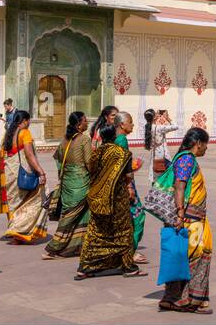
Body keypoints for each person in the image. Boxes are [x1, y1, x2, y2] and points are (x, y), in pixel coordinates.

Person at [76, 122, 144, 280]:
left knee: (95, 233)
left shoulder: (96, 153)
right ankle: (129, 267)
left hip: (98, 198)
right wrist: (129, 187)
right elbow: (128, 177)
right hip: (117, 199)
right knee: (124, 232)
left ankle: (84, 267)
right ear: (114, 136)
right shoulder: (122, 153)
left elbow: (92, 172)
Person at [158, 126, 212, 313]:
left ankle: (171, 297)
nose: (206, 148)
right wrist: (180, 213)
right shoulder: (187, 159)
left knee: (179, 256)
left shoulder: (183, 158)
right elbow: (179, 186)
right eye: (205, 145)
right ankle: (189, 300)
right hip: (189, 219)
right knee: (196, 257)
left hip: (190, 217)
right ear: (198, 144)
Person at [43, 112, 93, 259]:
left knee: (77, 214)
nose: (87, 122)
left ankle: (74, 247)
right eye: (85, 120)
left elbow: (57, 158)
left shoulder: (65, 139)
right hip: (80, 181)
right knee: (70, 217)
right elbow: (89, 162)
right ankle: (53, 247)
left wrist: (65, 172)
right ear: (79, 125)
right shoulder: (84, 140)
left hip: (67, 181)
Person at [0, 109, 48, 244]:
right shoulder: (25, 133)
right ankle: (19, 232)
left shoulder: (8, 134)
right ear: (24, 121)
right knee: (36, 198)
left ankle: (14, 231)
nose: (29, 123)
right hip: (22, 173)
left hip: (9, 174)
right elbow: (29, 155)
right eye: (28, 120)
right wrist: (41, 171)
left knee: (14, 203)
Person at [112, 112, 147, 262]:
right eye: (130, 122)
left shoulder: (113, 138)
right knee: (138, 217)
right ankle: (130, 252)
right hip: (125, 184)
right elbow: (123, 167)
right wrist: (129, 187)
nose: (132, 125)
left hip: (117, 184)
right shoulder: (122, 140)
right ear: (122, 125)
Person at [149, 110, 178, 174]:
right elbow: (175, 126)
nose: (157, 113)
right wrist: (168, 118)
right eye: (156, 113)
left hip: (154, 155)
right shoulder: (160, 128)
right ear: (154, 117)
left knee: (156, 175)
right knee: (168, 174)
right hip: (163, 155)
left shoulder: (148, 128)